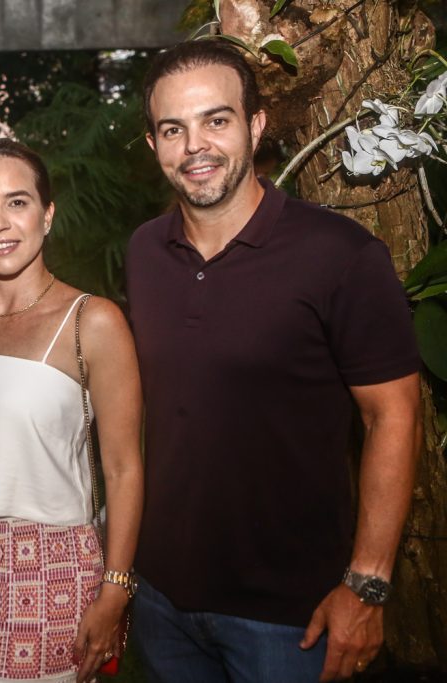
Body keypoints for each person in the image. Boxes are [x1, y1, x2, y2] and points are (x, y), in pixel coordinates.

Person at [126, 40, 421, 683]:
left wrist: (367, 585)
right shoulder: (144, 252)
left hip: (291, 618)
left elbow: (394, 418)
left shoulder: (341, 256)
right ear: (154, 146)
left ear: (256, 126)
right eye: (173, 129)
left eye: (217, 120)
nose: (194, 145)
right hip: (163, 601)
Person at [0, 139, 144, 683]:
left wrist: (115, 588)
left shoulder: (93, 321)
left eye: (17, 202)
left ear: (47, 215)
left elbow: (124, 467)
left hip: (48, 566)